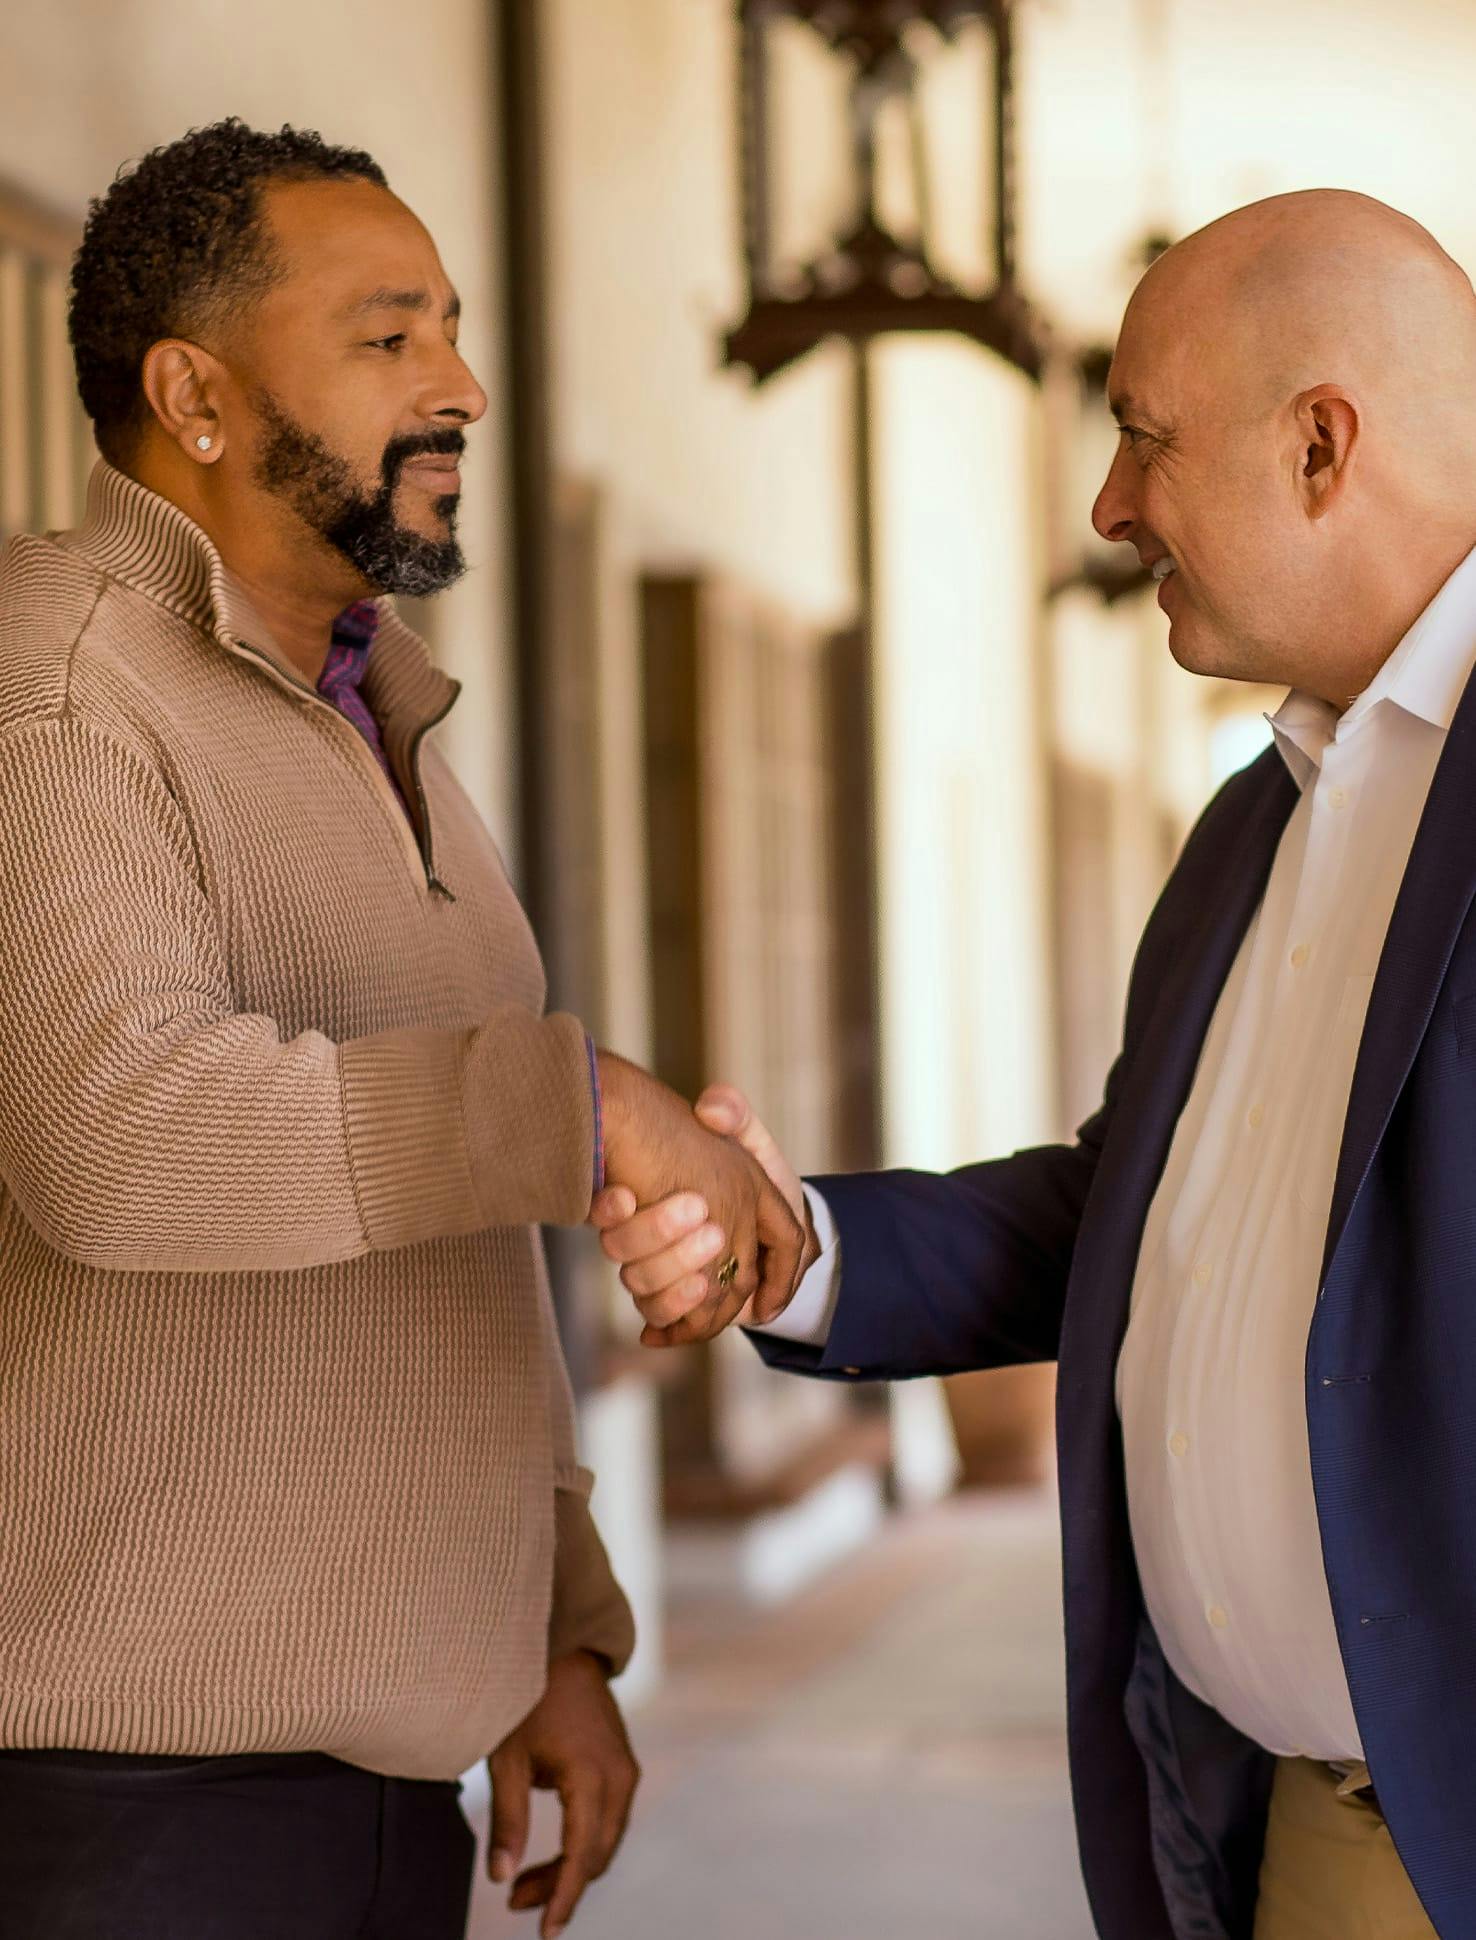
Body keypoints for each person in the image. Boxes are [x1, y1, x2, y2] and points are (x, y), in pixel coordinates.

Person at [593, 190, 1476, 1940]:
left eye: (1145, 436)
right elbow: (1138, 1223)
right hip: (1267, 1826)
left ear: (1321, 445)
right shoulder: (1256, 827)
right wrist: (805, 1244)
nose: (1109, 503)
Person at [0, 119, 802, 1940]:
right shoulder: (54, 692)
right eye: (389, 337)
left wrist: (552, 1628)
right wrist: (583, 1105)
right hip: (128, 1824)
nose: (464, 384)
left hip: (369, 1799)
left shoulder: (376, 720)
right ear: (193, 395)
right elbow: (121, 1143)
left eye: (449, 325)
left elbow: (451, 1248)